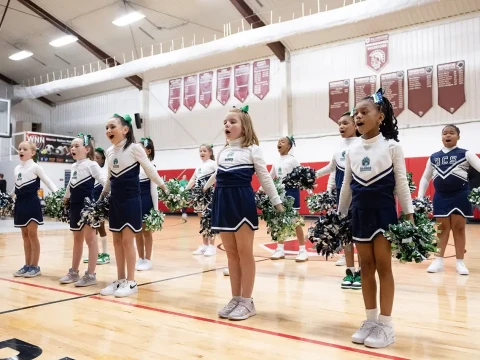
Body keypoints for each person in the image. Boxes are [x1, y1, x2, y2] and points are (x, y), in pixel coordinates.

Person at [338, 89, 414, 348]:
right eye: (355, 113)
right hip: (359, 215)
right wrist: (340, 215)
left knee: (384, 267)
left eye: (364, 112)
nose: (358, 116)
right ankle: (370, 320)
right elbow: (346, 186)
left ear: (380, 116)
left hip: (384, 215)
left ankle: (386, 324)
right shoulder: (352, 150)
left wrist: (409, 215)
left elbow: (401, 184)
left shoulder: (392, 147)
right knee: (366, 268)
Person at [204, 106, 283, 321]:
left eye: (232, 122)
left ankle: (248, 301)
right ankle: (236, 297)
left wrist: (277, 202)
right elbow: (218, 173)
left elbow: (265, 178)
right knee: (231, 253)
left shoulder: (252, 150)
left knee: (244, 252)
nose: (227, 125)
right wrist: (204, 187)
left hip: (242, 203)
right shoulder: (222, 151)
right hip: (223, 202)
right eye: (225, 123)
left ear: (245, 127)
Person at [99, 114, 168, 298]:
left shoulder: (135, 148)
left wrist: (163, 186)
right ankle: (120, 279)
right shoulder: (109, 152)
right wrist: (102, 197)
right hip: (115, 201)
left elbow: (149, 169)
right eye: (106, 127)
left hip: (131, 200)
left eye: (112, 126)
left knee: (128, 241)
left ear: (125, 130)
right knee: (116, 242)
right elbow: (109, 178)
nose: (108, 130)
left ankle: (131, 282)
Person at [418, 125, 480, 275]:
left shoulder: (466, 153)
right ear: (441, 137)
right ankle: (438, 261)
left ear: (458, 136)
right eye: (445, 133)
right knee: (442, 229)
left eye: (452, 133)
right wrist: (420, 197)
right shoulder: (433, 157)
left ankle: (460, 262)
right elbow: (425, 178)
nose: (448, 135)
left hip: (460, 195)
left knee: (459, 228)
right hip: (441, 196)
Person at [314, 111, 361, 289]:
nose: (341, 126)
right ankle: (349, 271)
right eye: (339, 123)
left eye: (345, 123)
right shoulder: (339, 146)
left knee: (360, 236)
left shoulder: (361, 144)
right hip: (342, 196)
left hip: (358, 195)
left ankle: (362, 271)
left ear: (355, 125)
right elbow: (332, 168)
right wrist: (313, 175)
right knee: (346, 235)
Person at [60, 134, 106, 287]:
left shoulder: (91, 164)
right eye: (71, 146)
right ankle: (74, 271)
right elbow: (70, 185)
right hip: (75, 205)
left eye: (76, 146)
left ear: (87, 149)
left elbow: (103, 180)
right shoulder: (74, 166)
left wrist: (103, 199)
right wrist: (66, 198)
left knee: (90, 240)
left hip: (88, 207)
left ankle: (91, 274)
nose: (72, 148)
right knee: (77, 240)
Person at [13, 141, 58, 278]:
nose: (21, 151)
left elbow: (48, 181)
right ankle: (27, 265)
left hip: (32, 203)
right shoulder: (16, 169)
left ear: (32, 153)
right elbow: (16, 187)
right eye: (20, 148)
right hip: (20, 204)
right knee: (24, 235)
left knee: (32, 235)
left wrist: (59, 195)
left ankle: (35, 266)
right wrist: (9, 198)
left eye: (24, 149)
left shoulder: (36, 167)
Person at [269, 136, 308, 262]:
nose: (279, 143)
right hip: (279, 194)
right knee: (280, 222)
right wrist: (260, 190)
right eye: (278, 141)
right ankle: (280, 249)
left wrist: (309, 190)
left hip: (292, 193)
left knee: (295, 221)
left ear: (289, 146)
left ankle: (303, 250)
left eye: (282, 141)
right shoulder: (276, 161)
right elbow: (270, 177)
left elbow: (302, 177)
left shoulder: (293, 160)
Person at [186, 144, 217, 256]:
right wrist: (185, 190)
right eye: (200, 151)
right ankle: (205, 245)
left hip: (208, 194)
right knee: (202, 220)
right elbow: (193, 179)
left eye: (204, 151)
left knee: (209, 219)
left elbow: (217, 174)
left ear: (210, 153)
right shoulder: (199, 166)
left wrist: (207, 186)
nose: (202, 153)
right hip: (199, 195)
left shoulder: (213, 164)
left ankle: (212, 246)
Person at [83, 147, 110, 265]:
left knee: (101, 228)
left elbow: (107, 188)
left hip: (101, 205)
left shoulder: (103, 173)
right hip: (92, 204)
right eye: (94, 157)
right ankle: (96, 253)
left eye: (97, 158)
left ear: (102, 160)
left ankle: (106, 254)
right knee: (93, 230)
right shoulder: (91, 172)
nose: (95, 160)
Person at [135, 137, 159, 271]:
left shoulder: (150, 167)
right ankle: (140, 257)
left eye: (140, 148)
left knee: (146, 232)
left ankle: (148, 259)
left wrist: (156, 210)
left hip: (145, 201)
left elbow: (153, 190)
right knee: (137, 232)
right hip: (134, 201)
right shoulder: (134, 167)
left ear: (148, 151)